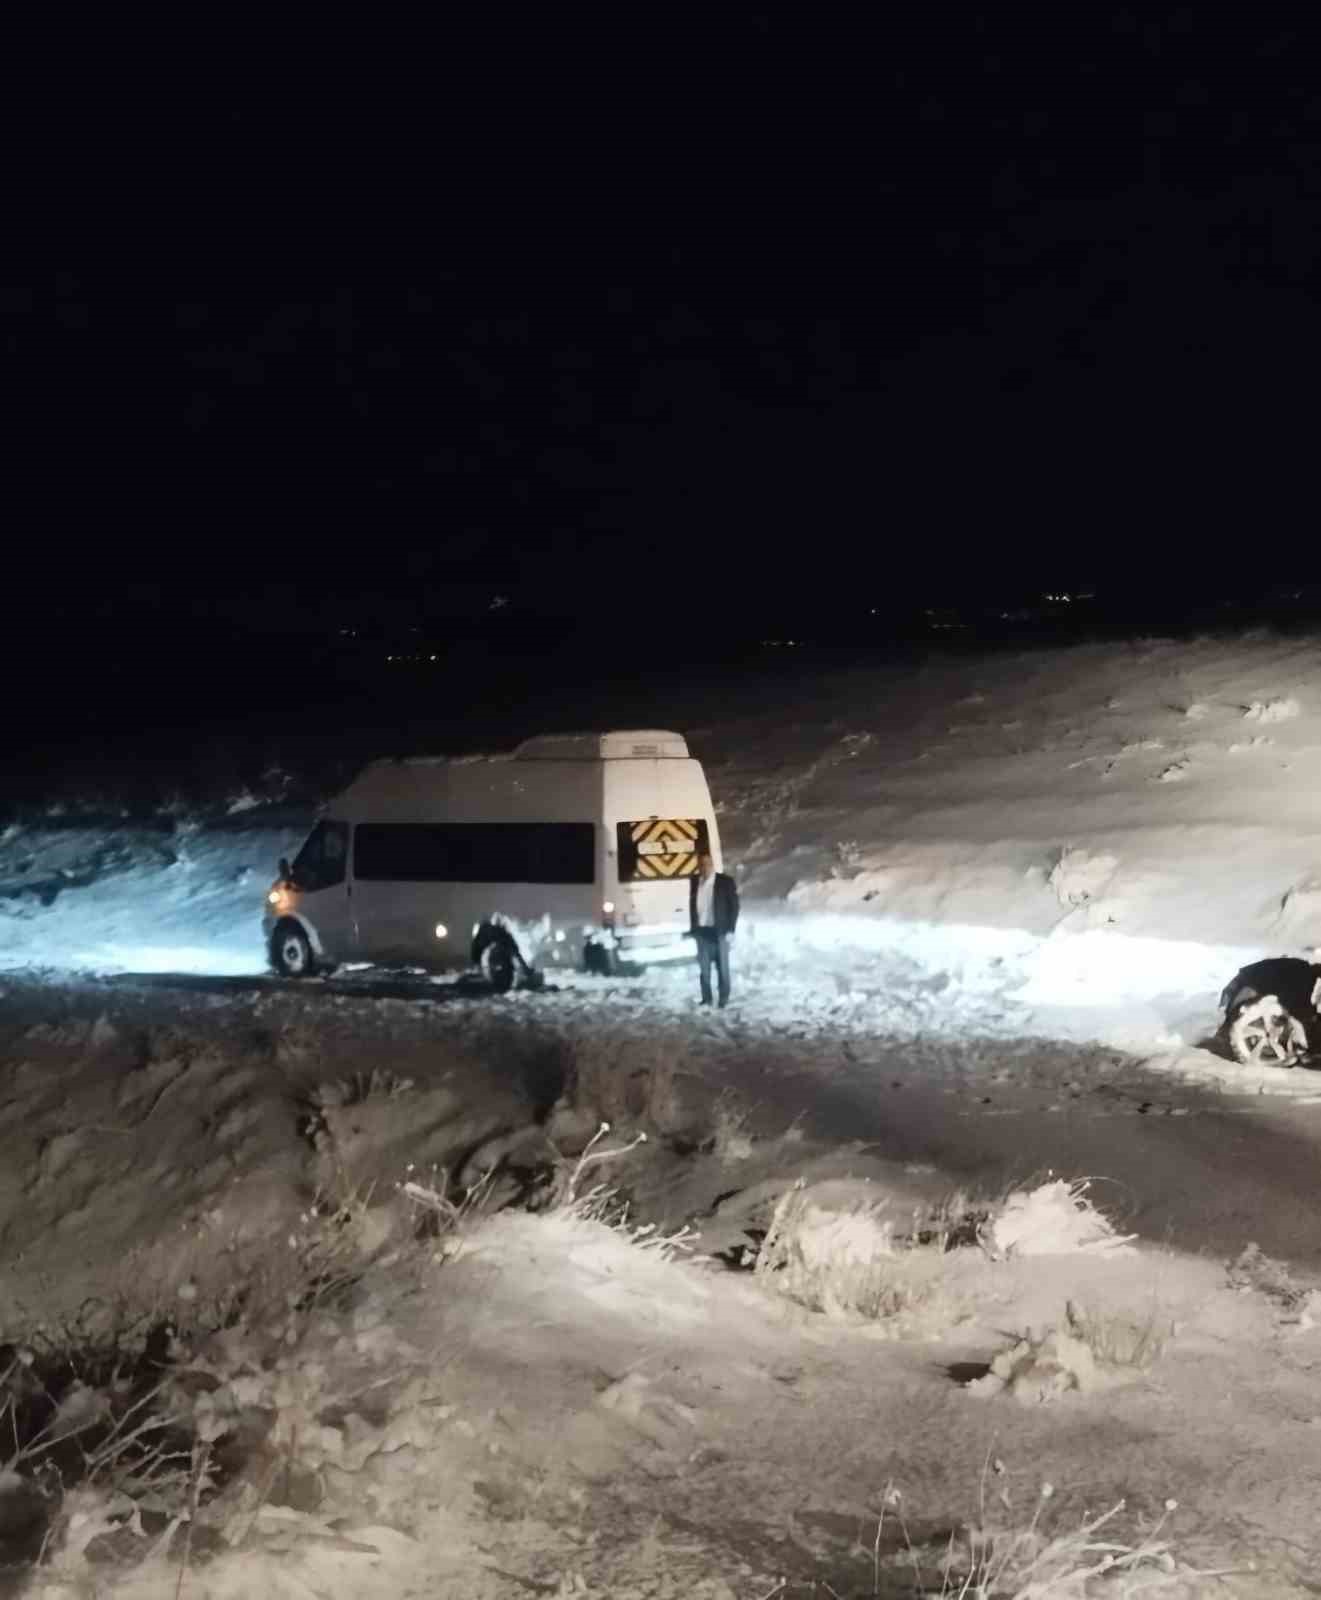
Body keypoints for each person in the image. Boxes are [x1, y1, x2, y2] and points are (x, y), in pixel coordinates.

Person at [688, 850, 739, 1008]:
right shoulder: (695, 882)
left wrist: (731, 929)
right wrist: (693, 929)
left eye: (708, 864)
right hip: (702, 932)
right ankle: (706, 999)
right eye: (702, 865)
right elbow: (692, 906)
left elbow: (734, 907)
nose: (705, 868)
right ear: (698, 866)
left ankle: (723, 1000)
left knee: (722, 968)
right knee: (704, 970)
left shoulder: (725, 882)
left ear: (713, 865)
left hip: (720, 932)